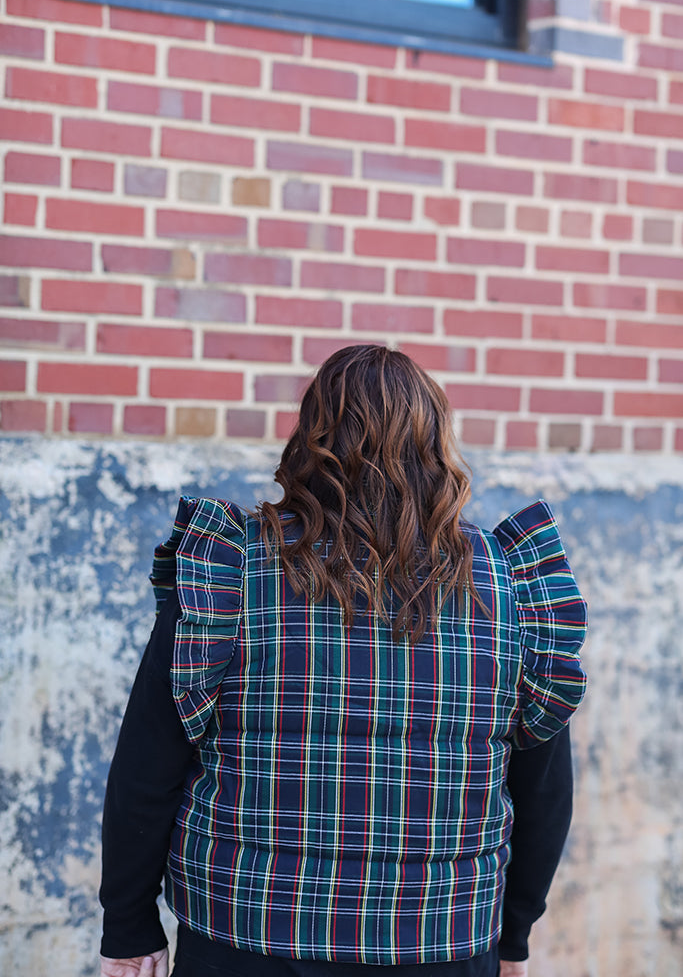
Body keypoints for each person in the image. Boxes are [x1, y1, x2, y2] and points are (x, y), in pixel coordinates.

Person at [100, 345, 587, 977]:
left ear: (311, 438)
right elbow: (544, 789)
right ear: (438, 443)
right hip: (441, 939)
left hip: (247, 935)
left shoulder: (231, 572)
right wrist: (513, 934)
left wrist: (129, 925)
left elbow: (147, 764)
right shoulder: (513, 587)